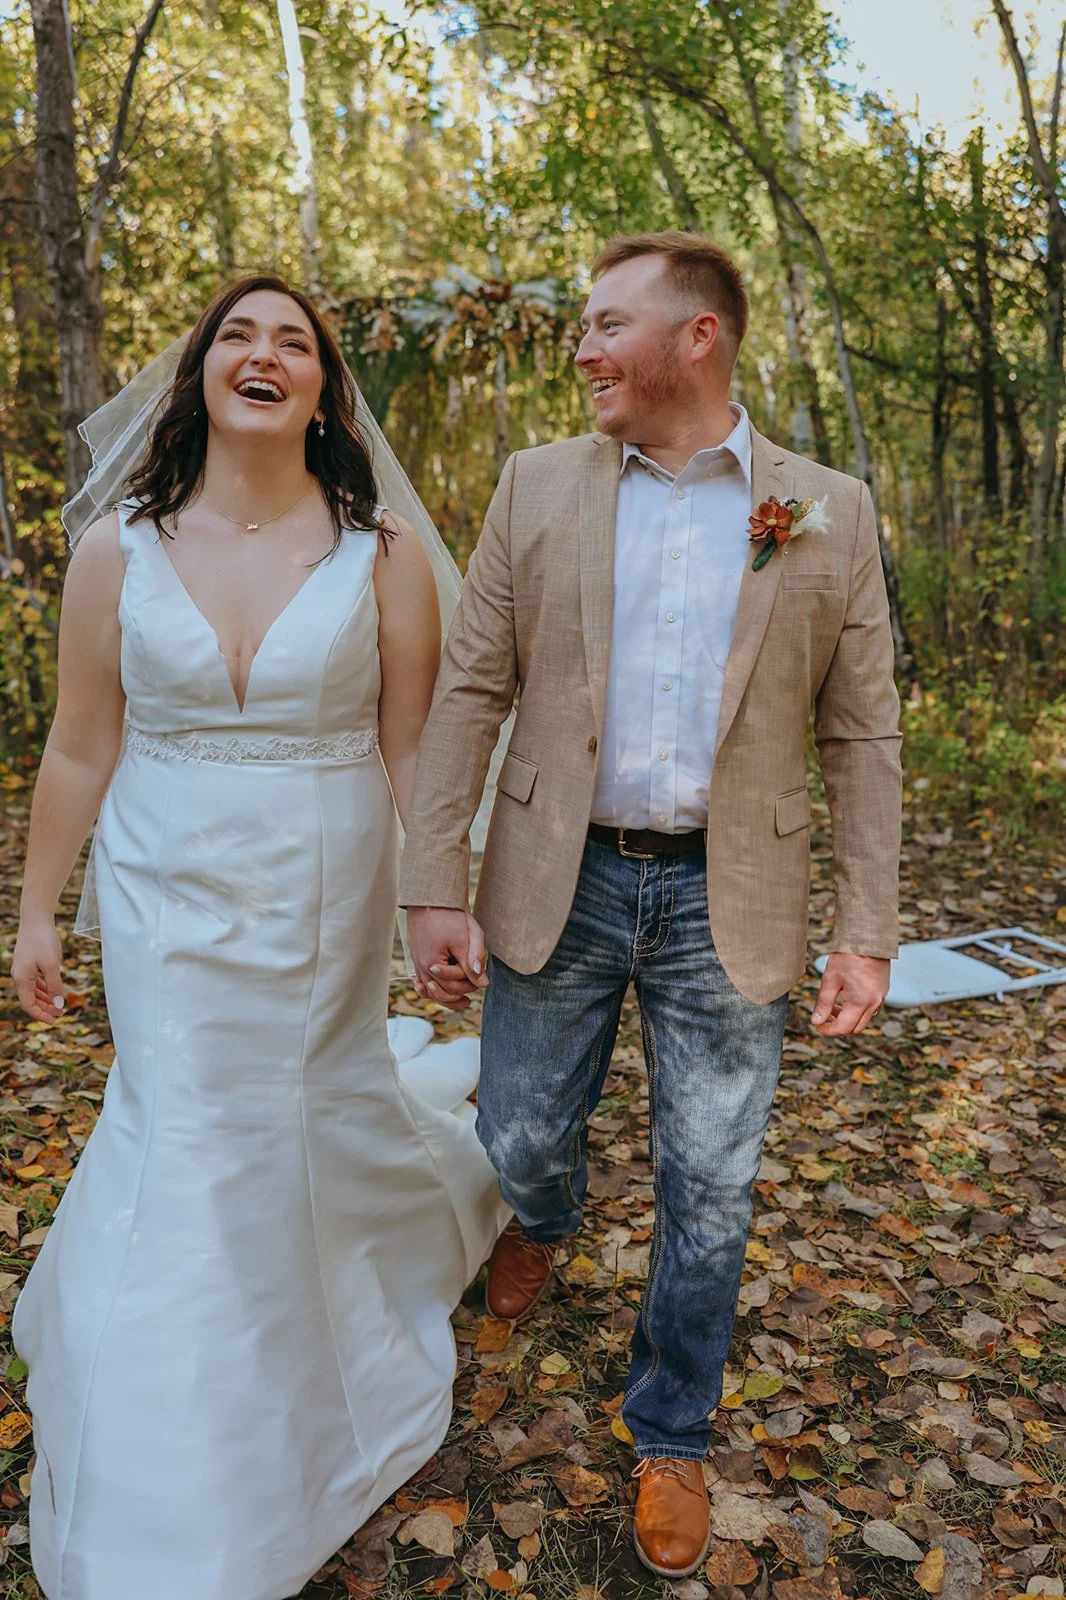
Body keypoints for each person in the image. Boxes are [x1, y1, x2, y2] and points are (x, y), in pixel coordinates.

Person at [401, 231, 902, 1578]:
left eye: (605, 324)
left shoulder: (825, 509)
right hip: (552, 874)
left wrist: (865, 922)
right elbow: (469, 691)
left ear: (699, 337)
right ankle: (543, 1221)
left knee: (713, 1181)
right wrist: (428, 881)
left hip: (725, 895)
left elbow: (861, 736)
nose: (581, 349)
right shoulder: (536, 486)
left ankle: (670, 1421)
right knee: (515, 1125)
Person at [10, 274, 507, 1600]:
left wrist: (432, 898)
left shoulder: (384, 551)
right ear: (202, 374)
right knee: (180, 1116)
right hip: (156, 877)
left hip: (322, 873)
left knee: (288, 1108)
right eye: (238, 332)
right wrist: (35, 909)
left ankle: (302, 1350)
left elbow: (409, 744)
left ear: (321, 394)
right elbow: (78, 744)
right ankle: (162, 1415)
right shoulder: (116, 547)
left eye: (295, 340)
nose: (264, 352)